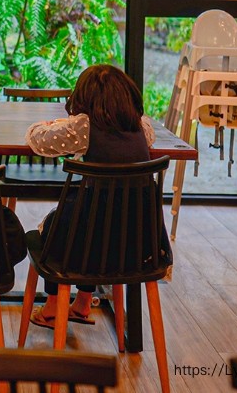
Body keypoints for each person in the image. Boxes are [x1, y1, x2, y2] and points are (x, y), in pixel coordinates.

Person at [25, 63, 155, 329]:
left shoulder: (84, 127)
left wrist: (43, 125)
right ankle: (83, 303)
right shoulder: (141, 127)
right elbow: (147, 137)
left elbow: (40, 141)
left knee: (62, 229)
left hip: (87, 244)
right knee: (92, 220)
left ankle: (52, 308)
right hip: (137, 243)